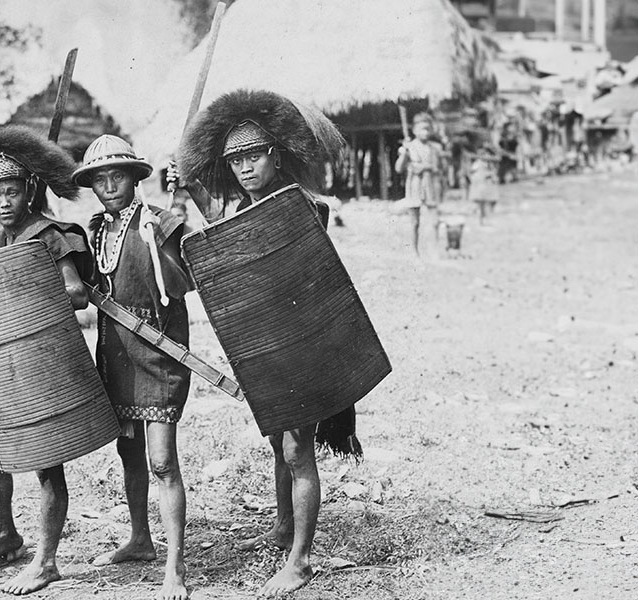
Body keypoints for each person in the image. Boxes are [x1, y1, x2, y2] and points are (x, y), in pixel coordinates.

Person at [169, 89, 358, 597]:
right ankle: (283, 529)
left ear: (275, 155)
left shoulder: (305, 207)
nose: (245, 168)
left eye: (254, 156)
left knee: (298, 449)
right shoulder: (235, 208)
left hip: (303, 344)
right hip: (266, 346)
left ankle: (300, 560)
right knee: (279, 440)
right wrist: (186, 185)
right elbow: (220, 230)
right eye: (235, 160)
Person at [0, 125, 92, 596]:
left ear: (29, 191)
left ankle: (46, 562)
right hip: (10, 370)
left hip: (47, 363)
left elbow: (76, 294)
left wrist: (29, 295)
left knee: (47, 465)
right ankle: (8, 535)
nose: (3, 202)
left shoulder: (48, 234)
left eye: (11, 191)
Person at [72, 134, 192, 600]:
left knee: (161, 460)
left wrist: (185, 204)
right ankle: (140, 539)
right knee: (129, 454)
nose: (108, 186)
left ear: (135, 178)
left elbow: (190, 276)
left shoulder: (161, 224)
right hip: (115, 353)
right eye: (99, 180)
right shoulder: (96, 229)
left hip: (159, 355)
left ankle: (175, 568)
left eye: (116, 176)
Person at [395, 112, 444, 257]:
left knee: (434, 220)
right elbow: (398, 169)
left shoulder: (434, 148)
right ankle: (414, 251)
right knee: (415, 222)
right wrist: (404, 153)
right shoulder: (408, 148)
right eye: (422, 129)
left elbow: (439, 168)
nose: (425, 132)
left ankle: (434, 250)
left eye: (428, 129)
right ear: (414, 130)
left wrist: (428, 168)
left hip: (430, 185)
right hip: (414, 186)